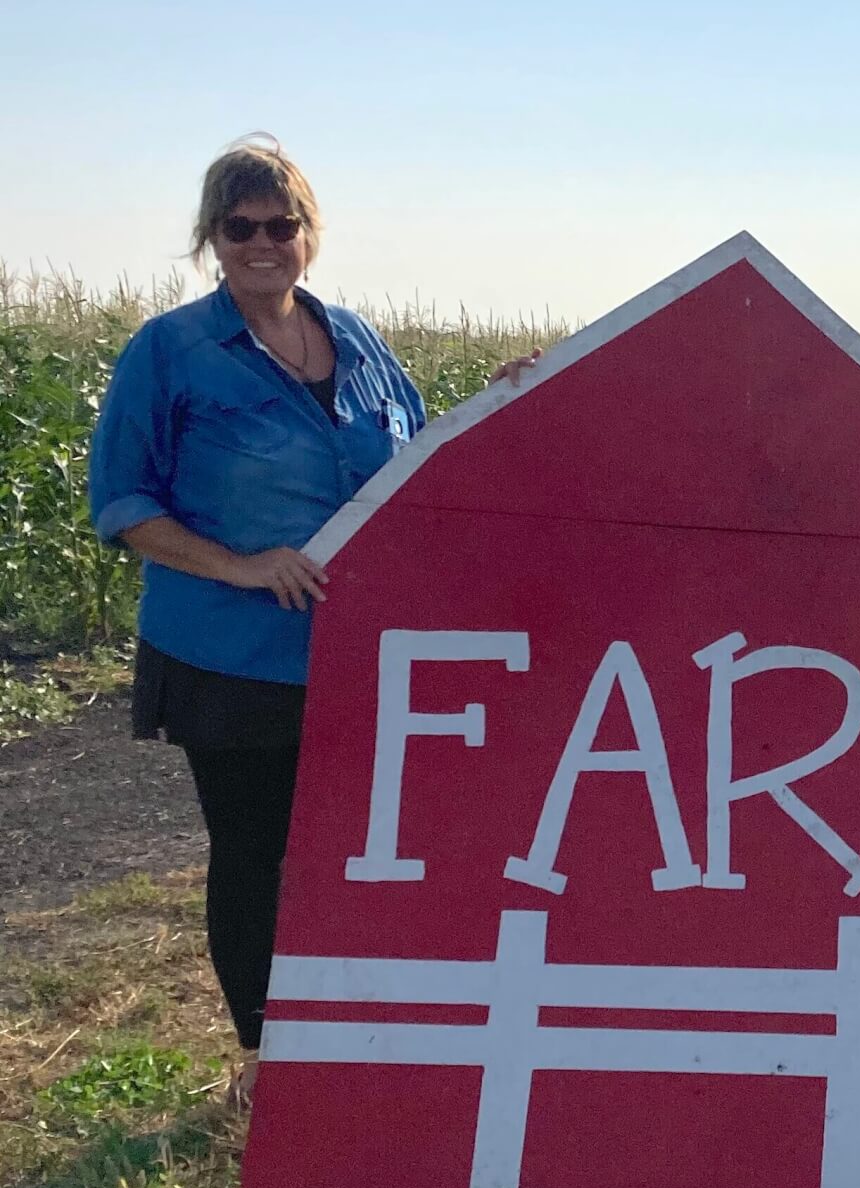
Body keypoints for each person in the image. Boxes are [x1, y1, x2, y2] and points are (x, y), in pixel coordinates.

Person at [88, 136, 539, 1108]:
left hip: (361, 652)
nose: (261, 242)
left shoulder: (361, 343)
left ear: (308, 234)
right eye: (239, 226)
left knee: (355, 846)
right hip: (230, 653)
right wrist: (241, 565)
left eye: (279, 224)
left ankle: (355, 1029)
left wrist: (500, 405)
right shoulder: (169, 353)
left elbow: (420, 462)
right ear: (212, 238)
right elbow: (122, 501)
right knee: (256, 849)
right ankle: (266, 1058)